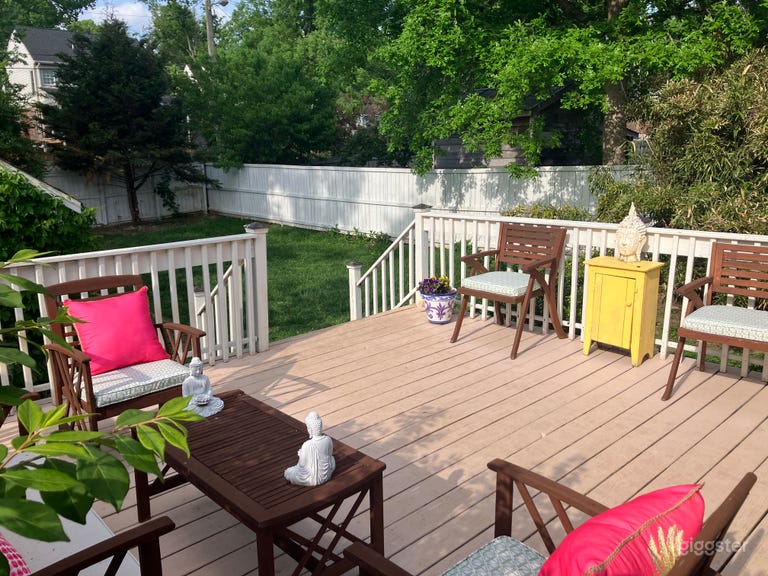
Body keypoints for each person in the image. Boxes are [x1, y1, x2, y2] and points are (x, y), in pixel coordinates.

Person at [284, 411, 336, 486]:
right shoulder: (328, 439)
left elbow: (302, 465)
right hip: (326, 475)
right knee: (332, 459)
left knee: (288, 472)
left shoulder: (307, 444)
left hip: (310, 478)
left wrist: (301, 455)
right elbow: (329, 457)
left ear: (310, 429)